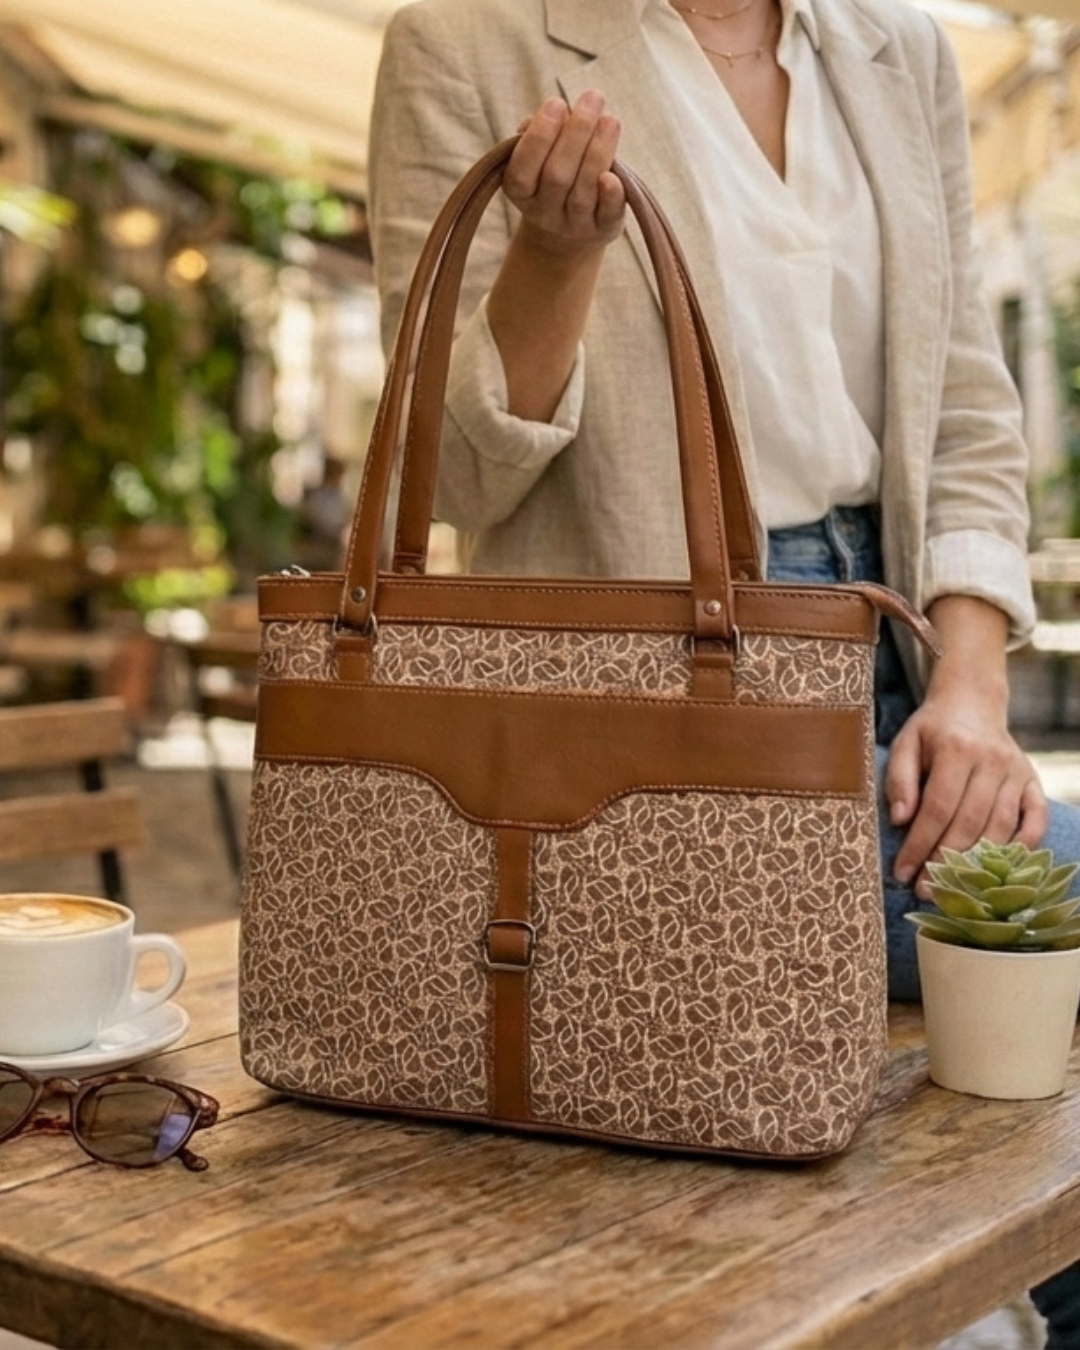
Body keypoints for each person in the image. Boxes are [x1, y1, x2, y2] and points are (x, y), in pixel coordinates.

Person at [368, 1, 1080, 1339]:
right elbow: (446, 474)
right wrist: (553, 259)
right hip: (658, 743)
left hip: (901, 667)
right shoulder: (467, 44)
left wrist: (970, 692)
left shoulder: (900, 48)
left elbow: (967, 406)